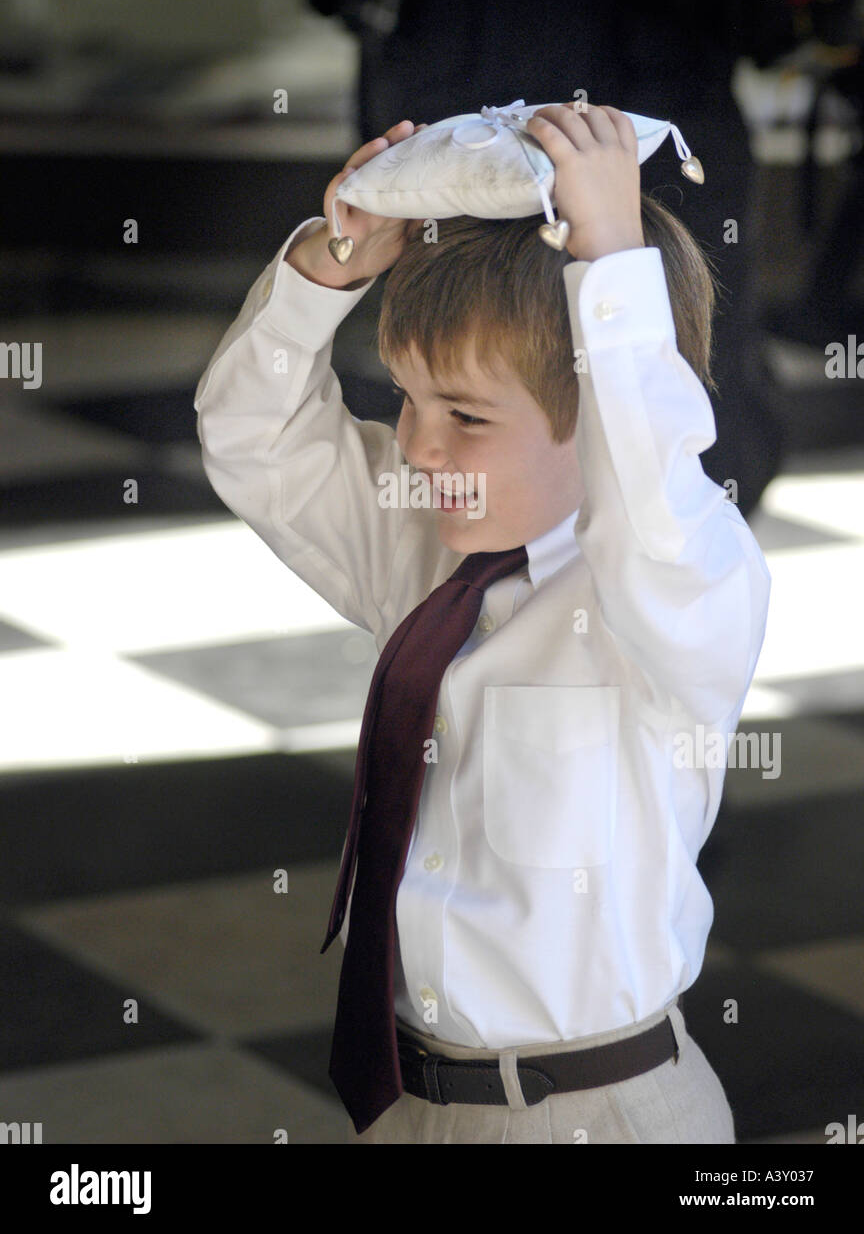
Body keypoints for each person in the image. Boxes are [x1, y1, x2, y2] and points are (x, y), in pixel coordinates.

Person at [194, 103, 771, 1144]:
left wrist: (611, 260)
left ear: (599, 413)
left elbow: (651, 468)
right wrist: (330, 270)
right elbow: (255, 442)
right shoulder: (426, 554)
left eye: (465, 415)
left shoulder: (678, 592)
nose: (415, 446)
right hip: (410, 1100)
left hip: (599, 1114)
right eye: (406, 397)